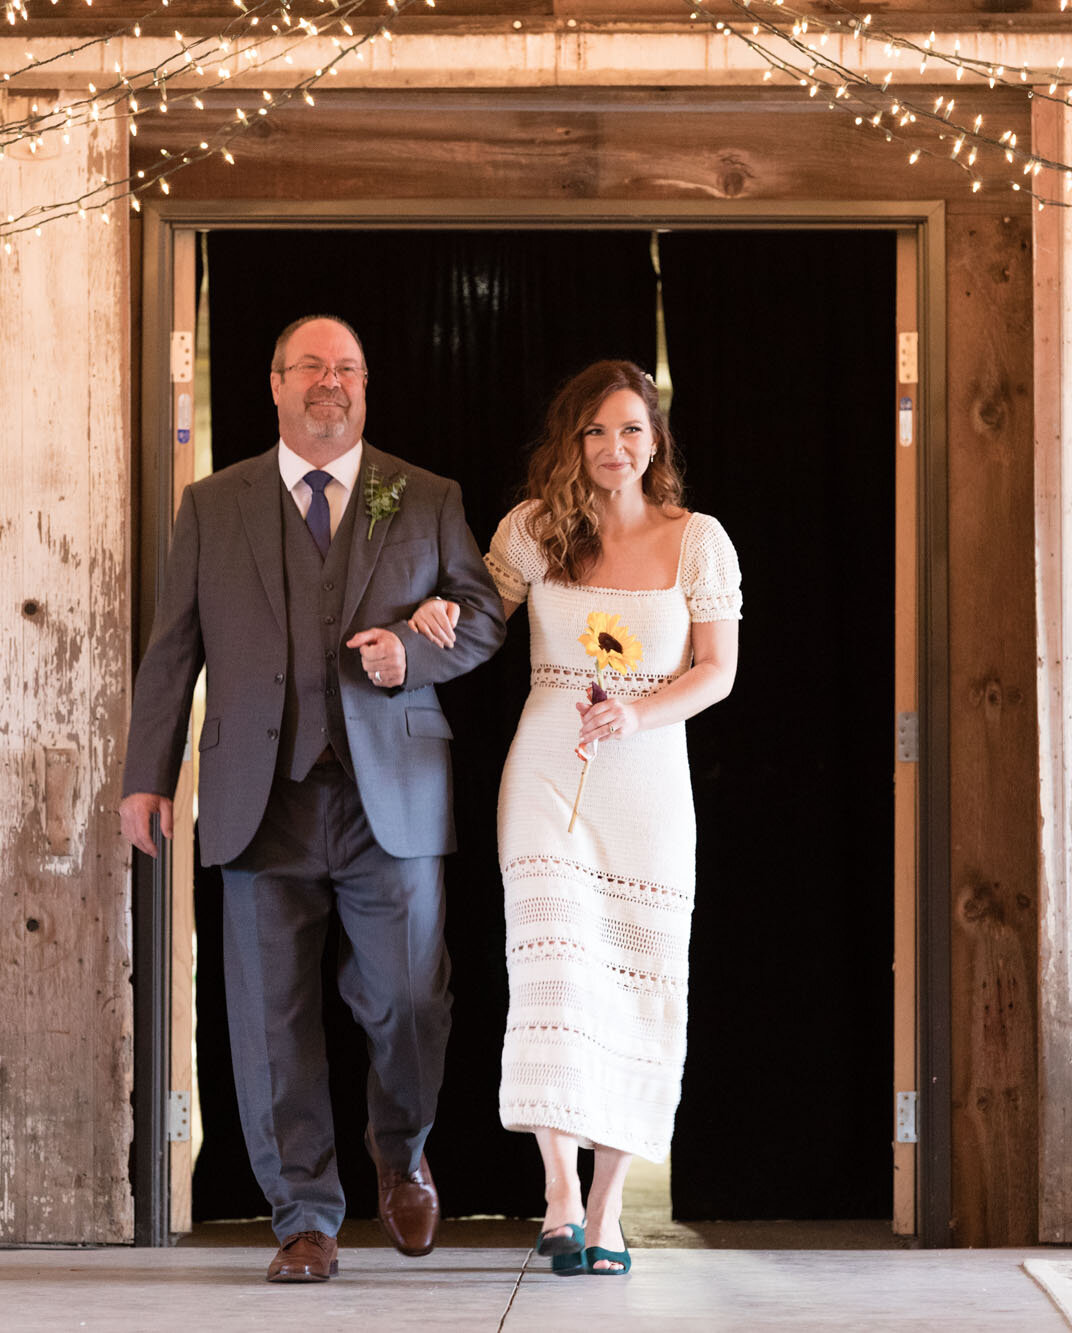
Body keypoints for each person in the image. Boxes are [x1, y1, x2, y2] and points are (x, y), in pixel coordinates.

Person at [119, 314, 506, 1283]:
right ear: (274, 384)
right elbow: (174, 649)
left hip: (395, 799)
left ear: (365, 388)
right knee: (268, 1018)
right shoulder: (214, 504)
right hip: (261, 798)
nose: (328, 382)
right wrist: (144, 774)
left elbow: (486, 616)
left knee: (412, 1004)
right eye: (310, 367)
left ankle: (402, 1148)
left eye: (346, 369)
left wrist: (410, 654)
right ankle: (304, 1218)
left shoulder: (420, 495)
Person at [412, 360, 739, 1276]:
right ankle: (557, 1193)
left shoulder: (698, 540)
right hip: (549, 768)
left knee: (637, 983)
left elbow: (718, 670)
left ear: (656, 440)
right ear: (574, 441)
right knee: (553, 976)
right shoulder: (532, 527)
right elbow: (482, 618)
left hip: (647, 776)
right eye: (595, 431)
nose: (613, 447)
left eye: (631, 429)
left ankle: (608, 1210)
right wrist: (439, 608)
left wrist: (637, 711)